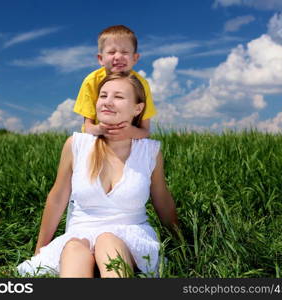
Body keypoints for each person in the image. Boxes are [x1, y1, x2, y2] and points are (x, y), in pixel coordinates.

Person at [17, 72, 178, 278]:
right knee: (74, 250)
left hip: (130, 235)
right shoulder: (76, 145)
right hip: (80, 234)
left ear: (137, 108)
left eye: (118, 97)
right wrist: (40, 250)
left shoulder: (149, 151)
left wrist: (181, 243)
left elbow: (162, 199)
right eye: (103, 96)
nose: (107, 102)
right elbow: (57, 198)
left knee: (107, 241)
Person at [73, 25, 157, 140]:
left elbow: (145, 131)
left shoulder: (141, 84)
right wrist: (101, 129)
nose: (118, 57)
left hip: (130, 140)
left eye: (125, 52)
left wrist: (130, 132)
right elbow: (88, 127)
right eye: (111, 52)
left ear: (135, 58)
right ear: (100, 59)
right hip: (97, 138)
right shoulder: (91, 81)